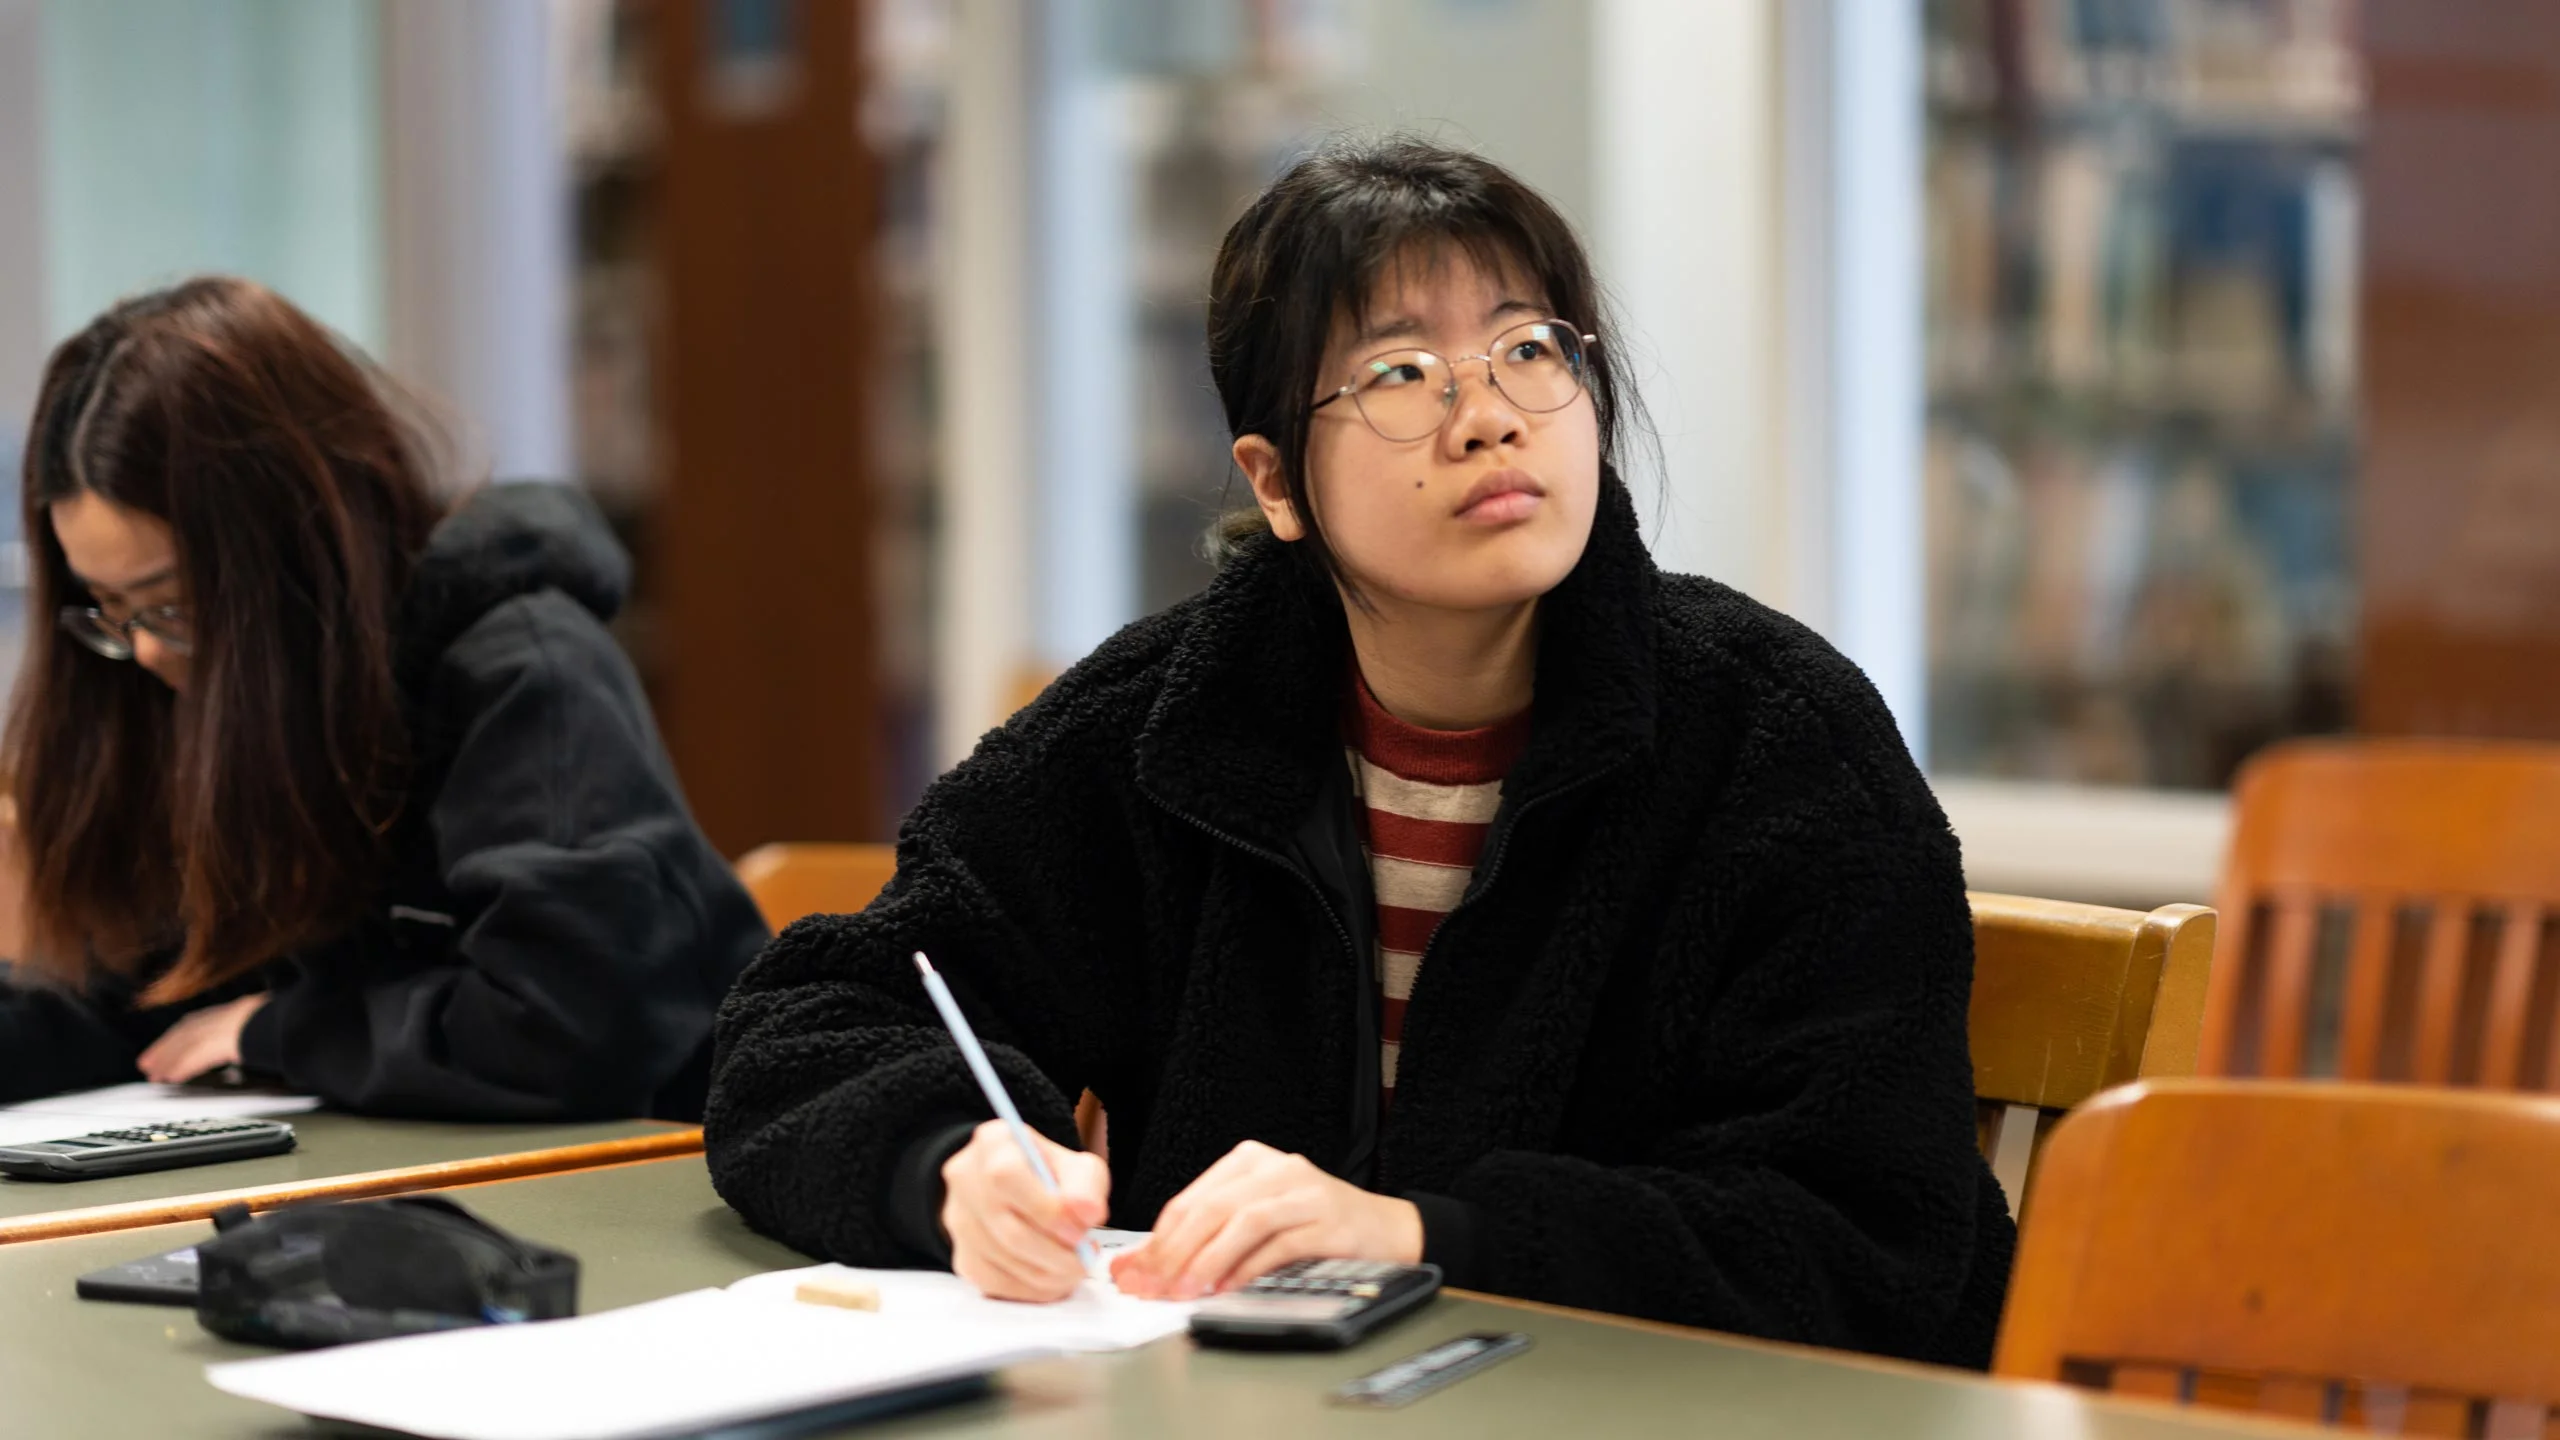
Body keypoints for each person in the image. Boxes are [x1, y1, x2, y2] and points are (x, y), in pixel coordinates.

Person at [705, 137, 2013, 1365]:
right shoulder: (1168, 724)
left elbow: (1858, 1234)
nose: (1487, 416)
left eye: (1528, 350)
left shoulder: (1777, 742)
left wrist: (1425, 1240)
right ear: (1275, 484)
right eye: (1400, 375)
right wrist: (944, 1160)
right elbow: (813, 1019)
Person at [0, 277, 766, 1121]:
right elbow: (153, 999)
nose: (143, 648)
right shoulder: (197, 690)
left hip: (651, 1172)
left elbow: (565, 1028)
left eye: (171, 602)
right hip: (414, 1177)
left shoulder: (521, 671)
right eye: (111, 610)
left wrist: (281, 1032)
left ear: (296, 543)